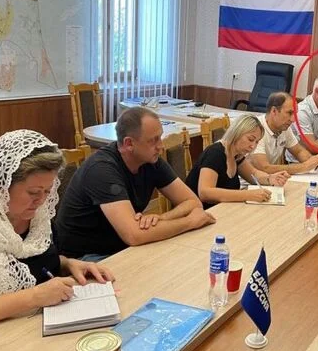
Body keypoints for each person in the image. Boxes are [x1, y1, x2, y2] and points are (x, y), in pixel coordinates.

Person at [0, 130, 114, 333]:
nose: (41, 200)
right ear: (1, 185)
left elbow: (35, 261)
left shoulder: (38, 218)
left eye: (47, 191)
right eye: (33, 192)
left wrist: (67, 264)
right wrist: (33, 297)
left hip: (34, 330)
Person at [56, 107, 215, 260]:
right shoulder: (101, 169)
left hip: (121, 248)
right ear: (129, 144)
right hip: (85, 258)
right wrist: (189, 222)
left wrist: (162, 218)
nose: (160, 146)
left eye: (160, 137)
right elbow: (133, 235)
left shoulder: (150, 160)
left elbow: (193, 202)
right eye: (153, 140)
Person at [186, 114, 289, 209]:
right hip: (199, 212)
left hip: (222, 209)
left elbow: (254, 174)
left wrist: (270, 178)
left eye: (256, 142)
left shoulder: (237, 155)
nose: (253, 146)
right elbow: (205, 193)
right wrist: (248, 195)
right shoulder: (215, 153)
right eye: (250, 139)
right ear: (237, 133)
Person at [251, 92, 318, 175]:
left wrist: (315, 161)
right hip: (251, 181)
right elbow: (264, 168)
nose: (293, 119)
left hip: (270, 179)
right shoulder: (255, 128)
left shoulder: (283, 127)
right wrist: (305, 166)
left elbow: (298, 151)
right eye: (290, 113)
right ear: (274, 111)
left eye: (295, 114)